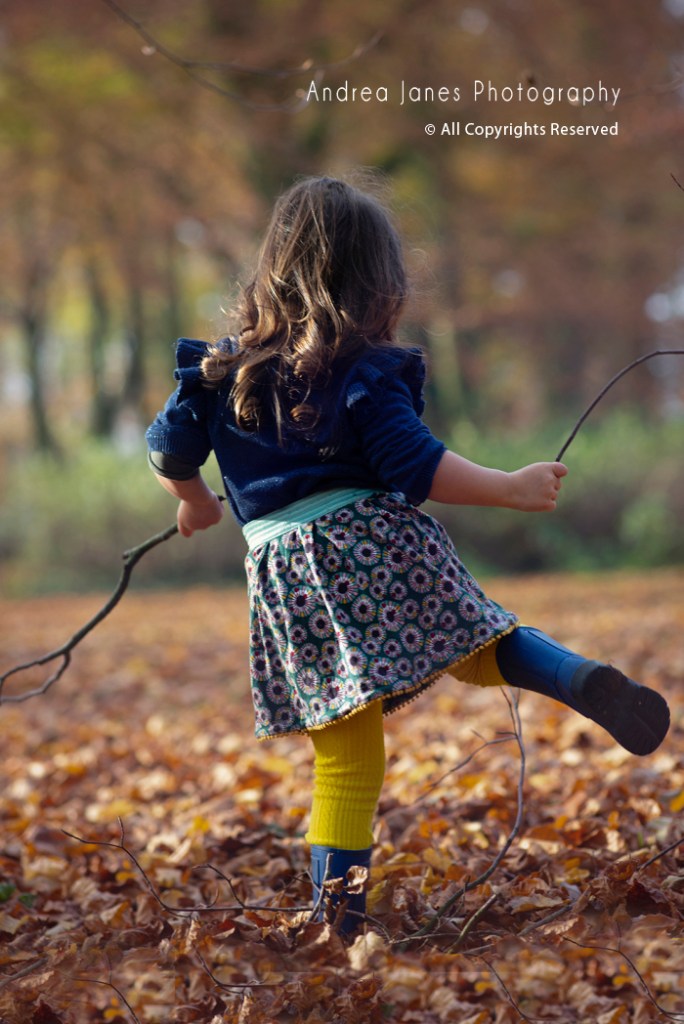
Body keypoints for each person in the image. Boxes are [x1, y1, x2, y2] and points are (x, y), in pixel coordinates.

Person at [145, 175, 670, 937]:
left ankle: (339, 922)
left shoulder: (221, 373)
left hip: (292, 579)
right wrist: (510, 487)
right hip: (377, 542)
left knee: (348, 762)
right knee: (478, 638)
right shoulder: (361, 370)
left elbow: (166, 449)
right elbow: (417, 466)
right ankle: (573, 676)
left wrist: (193, 500)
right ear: (376, 284)